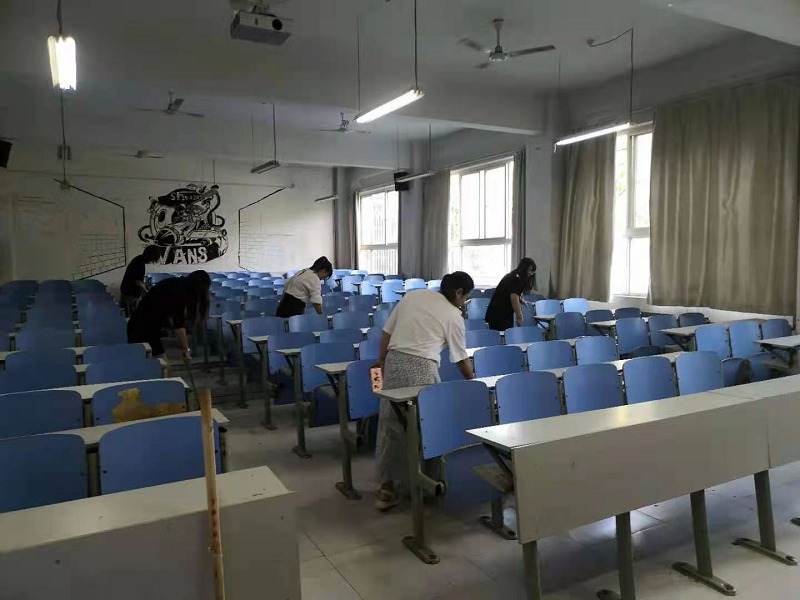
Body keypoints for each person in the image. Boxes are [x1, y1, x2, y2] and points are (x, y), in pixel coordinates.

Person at [372, 271, 475, 511]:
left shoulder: (414, 296)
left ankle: (386, 488)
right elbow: (461, 358)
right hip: (422, 369)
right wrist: (473, 382)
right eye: (465, 298)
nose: (464, 303)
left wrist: (382, 360)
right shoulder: (453, 315)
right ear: (458, 292)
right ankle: (424, 483)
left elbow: (387, 331)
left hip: (394, 363)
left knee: (391, 425)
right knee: (427, 426)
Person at [127, 270, 211, 364]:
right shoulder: (180, 292)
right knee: (162, 366)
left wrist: (185, 349)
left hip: (143, 324)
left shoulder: (177, 284)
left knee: (159, 365)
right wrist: (186, 350)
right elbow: (178, 324)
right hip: (143, 327)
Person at [484, 258, 537, 331]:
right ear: (524, 269)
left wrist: (520, 300)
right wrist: (519, 317)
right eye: (530, 271)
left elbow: (511, 293)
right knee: (502, 334)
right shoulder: (516, 279)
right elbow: (514, 298)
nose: (531, 274)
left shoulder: (515, 275)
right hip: (499, 313)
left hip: (503, 312)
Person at [119, 245, 162, 312]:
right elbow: (137, 281)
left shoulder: (139, 260)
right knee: (135, 314)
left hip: (129, 293)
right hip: (129, 295)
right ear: (150, 257)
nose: (151, 262)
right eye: (152, 260)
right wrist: (147, 292)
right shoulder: (139, 263)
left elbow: (138, 279)